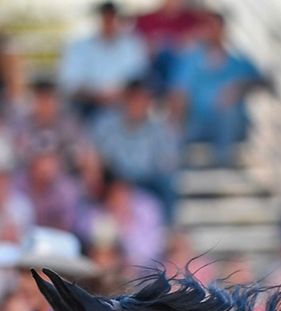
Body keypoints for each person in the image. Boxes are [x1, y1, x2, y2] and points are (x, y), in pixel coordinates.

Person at [168, 10, 266, 168]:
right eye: (207, 27)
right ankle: (174, 170)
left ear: (223, 31)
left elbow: (262, 80)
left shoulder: (238, 61)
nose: (211, 32)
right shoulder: (190, 60)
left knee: (229, 112)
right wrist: (177, 114)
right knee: (172, 127)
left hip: (229, 123)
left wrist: (239, 88)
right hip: (197, 122)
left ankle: (223, 165)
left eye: (215, 27)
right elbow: (178, 91)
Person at [89, 78, 180, 222]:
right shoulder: (106, 124)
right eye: (134, 98)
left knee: (167, 183)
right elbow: (98, 155)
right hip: (114, 178)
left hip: (146, 180)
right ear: (125, 100)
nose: (138, 104)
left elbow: (168, 160)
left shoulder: (159, 128)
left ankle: (167, 230)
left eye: (143, 99)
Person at [57, 2, 149, 121]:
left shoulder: (132, 45)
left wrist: (120, 94)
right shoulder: (79, 47)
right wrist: (97, 95)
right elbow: (70, 84)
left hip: (124, 104)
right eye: (105, 17)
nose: (109, 22)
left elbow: (140, 78)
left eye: (112, 17)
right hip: (88, 106)